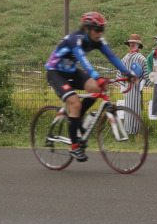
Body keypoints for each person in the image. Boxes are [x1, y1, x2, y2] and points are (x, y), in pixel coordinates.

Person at [45, 12, 135, 162]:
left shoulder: (98, 40)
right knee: (75, 103)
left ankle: (78, 119)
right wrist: (97, 76)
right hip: (56, 72)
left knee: (97, 88)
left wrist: (127, 72)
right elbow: (82, 59)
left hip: (71, 71)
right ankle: (74, 147)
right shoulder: (76, 39)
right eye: (97, 30)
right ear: (87, 29)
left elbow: (111, 56)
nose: (100, 33)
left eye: (102, 29)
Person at [118, 34, 148, 134]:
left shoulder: (142, 58)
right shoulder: (125, 57)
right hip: (127, 85)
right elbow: (120, 70)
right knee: (127, 108)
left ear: (138, 45)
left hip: (136, 86)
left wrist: (143, 82)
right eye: (131, 42)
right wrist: (121, 84)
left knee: (135, 107)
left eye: (134, 43)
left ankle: (135, 130)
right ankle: (127, 129)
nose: (132, 44)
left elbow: (145, 71)